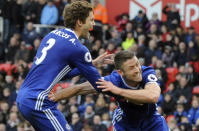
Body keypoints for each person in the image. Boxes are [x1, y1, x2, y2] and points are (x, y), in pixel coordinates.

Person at [16, 1, 113, 131]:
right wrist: (121, 85)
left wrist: (91, 64)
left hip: (23, 96)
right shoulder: (78, 48)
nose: (93, 24)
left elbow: (60, 73)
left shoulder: (51, 35)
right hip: (37, 100)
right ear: (80, 22)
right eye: (91, 20)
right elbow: (98, 84)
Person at [49, 51, 169, 131]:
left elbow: (153, 96)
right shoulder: (111, 81)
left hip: (152, 121)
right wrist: (55, 97)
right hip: (126, 124)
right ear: (121, 72)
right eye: (132, 67)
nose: (138, 70)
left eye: (137, 64)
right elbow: (79, 88)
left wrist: (117, 91)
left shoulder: (147, 72)